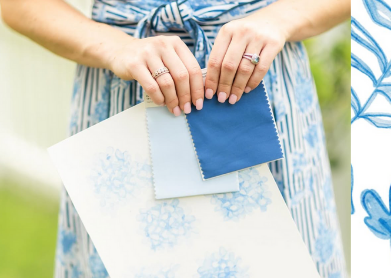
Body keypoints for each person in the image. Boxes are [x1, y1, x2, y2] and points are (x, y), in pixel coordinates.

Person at [1, 0, 348, 275]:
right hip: (126, 86)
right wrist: (115, 47)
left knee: (277, 260)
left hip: (252, 82)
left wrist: (280, 17)